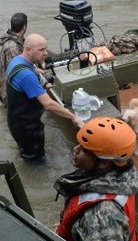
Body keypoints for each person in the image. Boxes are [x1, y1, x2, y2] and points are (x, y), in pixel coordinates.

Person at [54, 117, 138, 241]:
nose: (75, 149)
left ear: (103, 163)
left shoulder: (100, 214)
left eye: (83, 149)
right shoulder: (123, 177)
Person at [6, 33, 84, 161]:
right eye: (41, 50)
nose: (46, 53)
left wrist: (36, 71)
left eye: (46, 49)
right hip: (28, 129)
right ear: (28, 50)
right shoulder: (27, 76)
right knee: (35, 161)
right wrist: (73, 117)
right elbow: (48, 104)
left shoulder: (15, 61)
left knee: (24, 151)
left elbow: (24, 74)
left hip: (15, 121)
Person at [0, 12, 28, 106]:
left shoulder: (18, 41)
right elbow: (17, 72)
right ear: (24, 27)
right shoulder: (12, 47)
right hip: (9, 94)